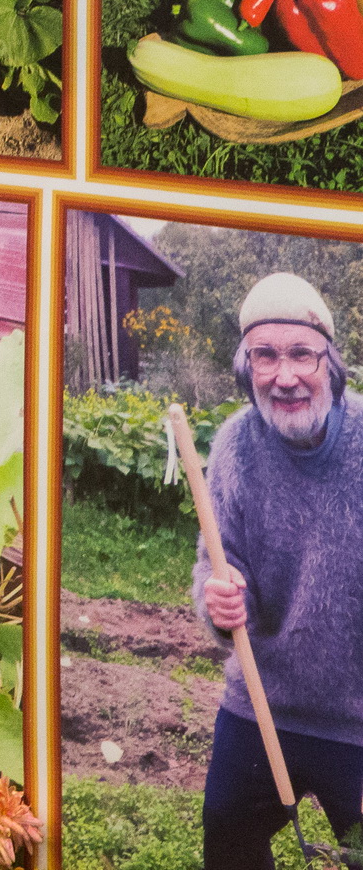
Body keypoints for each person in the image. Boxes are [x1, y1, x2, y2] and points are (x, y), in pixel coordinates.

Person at [192, 272, 363, 869]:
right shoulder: (235, 447)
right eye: (264, 355)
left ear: (331, 363)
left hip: (358, 716)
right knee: (228, 834)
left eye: (301, 354)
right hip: (264, 700)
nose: (283, 375)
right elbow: (215, 563)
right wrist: (221, 597)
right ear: (247, 367)